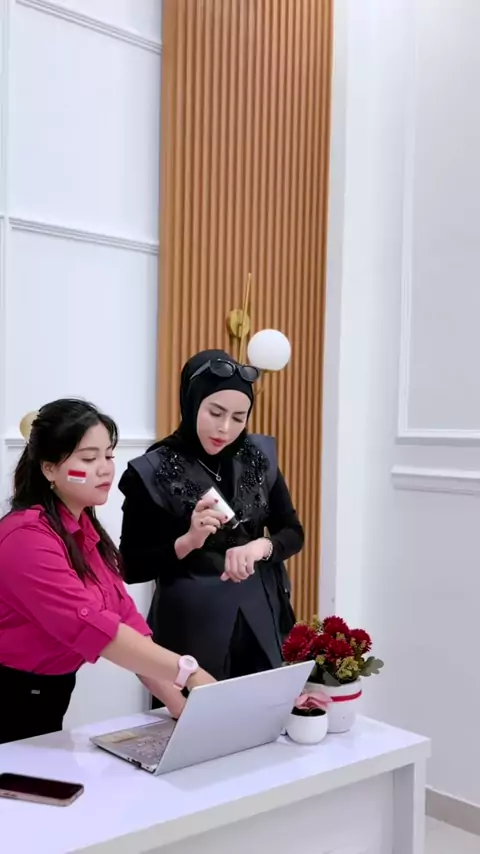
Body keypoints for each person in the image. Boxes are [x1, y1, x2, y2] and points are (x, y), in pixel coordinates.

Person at [0, 399, 215, 745]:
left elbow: (126, 622)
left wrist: (185, 711)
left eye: (109, 456)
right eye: (88, 459)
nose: (105, 469)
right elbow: (96, 629)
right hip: (11, 695)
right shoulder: (25, 538)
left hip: (49, 694)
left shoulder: (85, 532)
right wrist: (189, 672)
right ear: (49, 468)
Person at [119, 349, 303, 692]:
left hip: (261, 617)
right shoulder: (152, 470)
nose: (225, 428)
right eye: (215, 413)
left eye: (238, 417)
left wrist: (261, 547)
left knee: (265, 711)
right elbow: (131, 566)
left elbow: (292, 532)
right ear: (192, 403)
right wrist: (187, 541)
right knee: (195, 718)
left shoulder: (258, 457)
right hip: (191, 627)